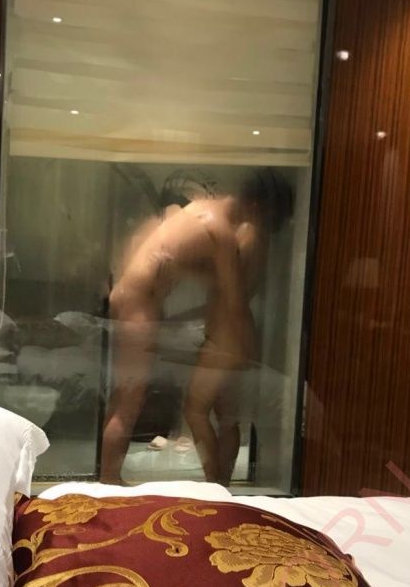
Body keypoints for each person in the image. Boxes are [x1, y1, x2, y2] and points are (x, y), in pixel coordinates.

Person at [99, 168, 290, 485]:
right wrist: (251, 355)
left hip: (136, 297)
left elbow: (184, 263)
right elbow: (234, 299)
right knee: (131, 400)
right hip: (139, 302)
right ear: (257, 206)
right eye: (267, 216)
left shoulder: (201, 209)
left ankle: (112, 480)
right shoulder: (219, 230)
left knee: (128, 398)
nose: (263, 225)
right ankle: (110, 481)